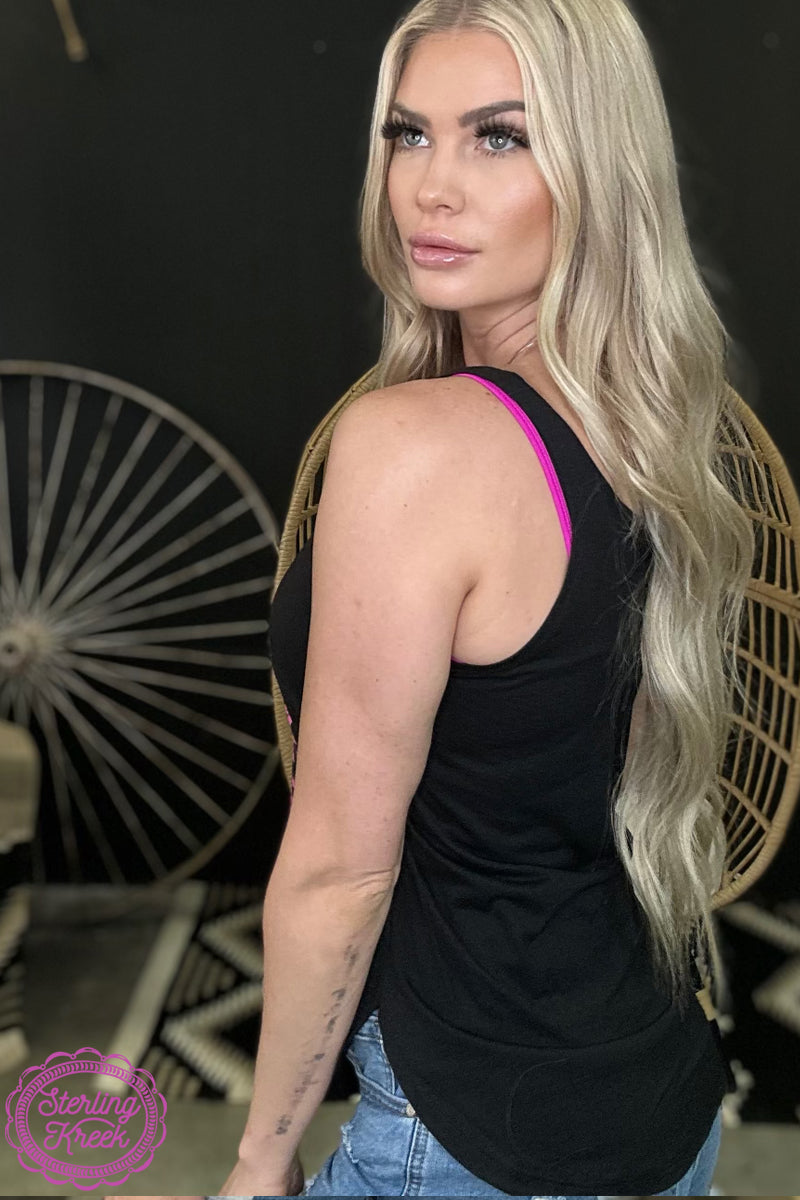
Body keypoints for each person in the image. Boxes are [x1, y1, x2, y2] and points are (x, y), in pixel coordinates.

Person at [217, 0, 754, 1195]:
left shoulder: (415, 446)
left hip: (462, 1133)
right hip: (658, 1099)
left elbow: (341, 871)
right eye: (409, 134)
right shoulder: (653, 428)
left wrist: (258, 1160)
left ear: (598, 175)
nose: (430, 187)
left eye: (498, 137)